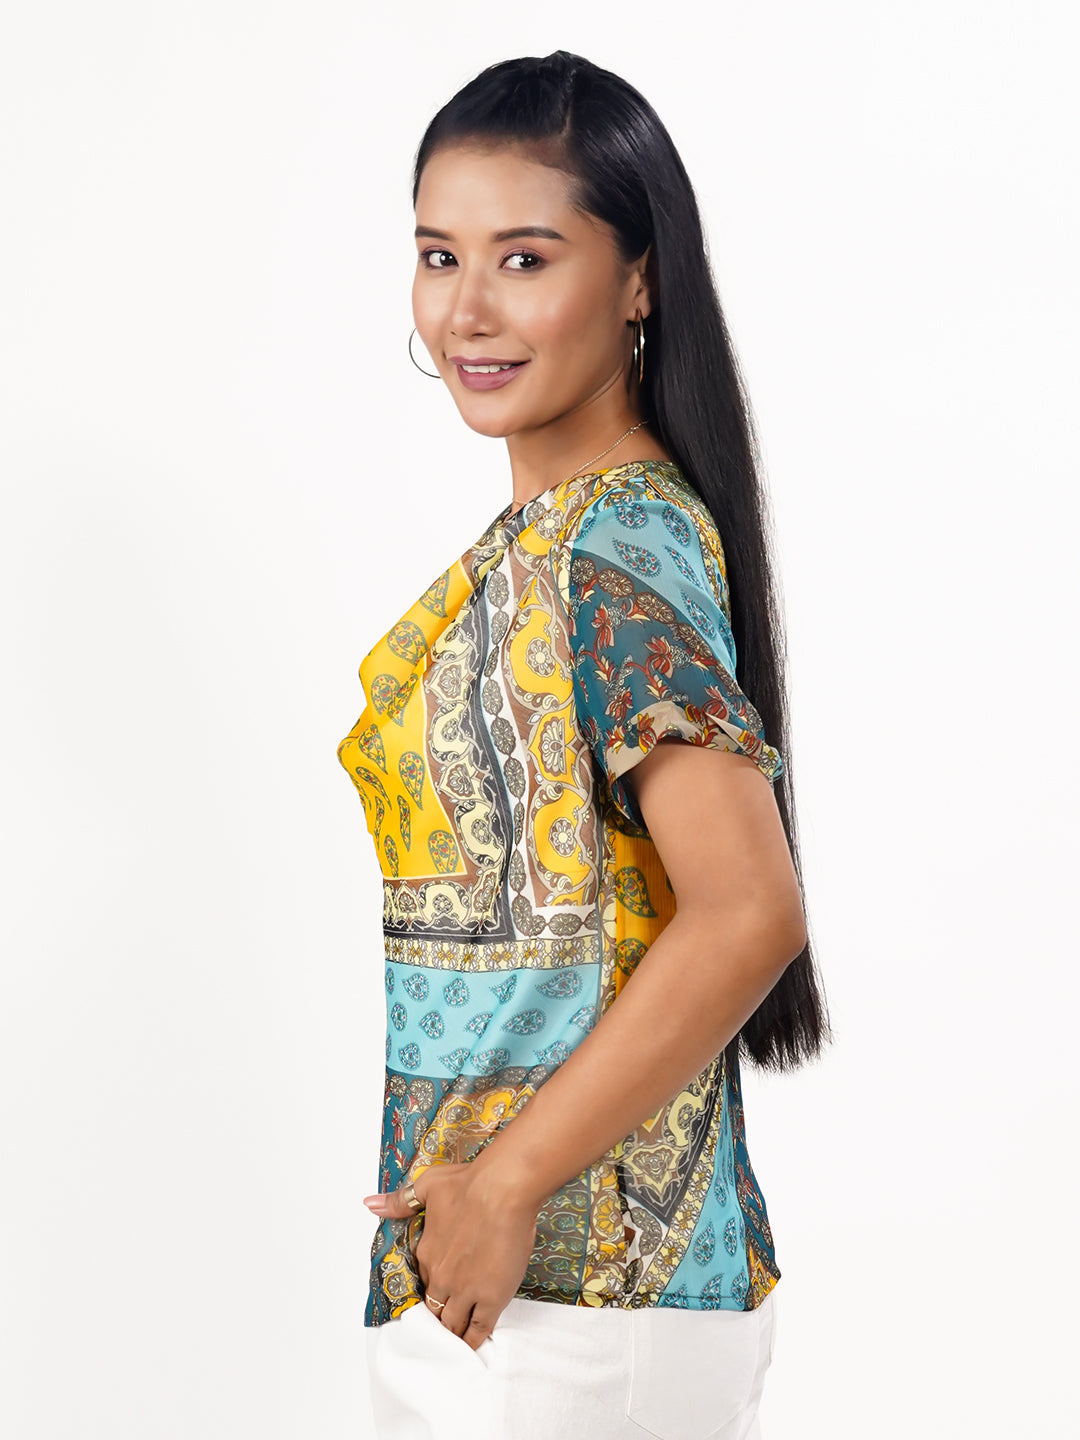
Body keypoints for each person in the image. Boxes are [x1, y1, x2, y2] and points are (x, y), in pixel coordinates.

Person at [337, 49, 830, 1440]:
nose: (468, 310)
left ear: (638, 279)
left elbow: (748, 909)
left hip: (578, 1296)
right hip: (510, 1295)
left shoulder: (616, 545)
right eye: (439, 255)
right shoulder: (563, 537)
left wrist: (506, 1187)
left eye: (525, 258)